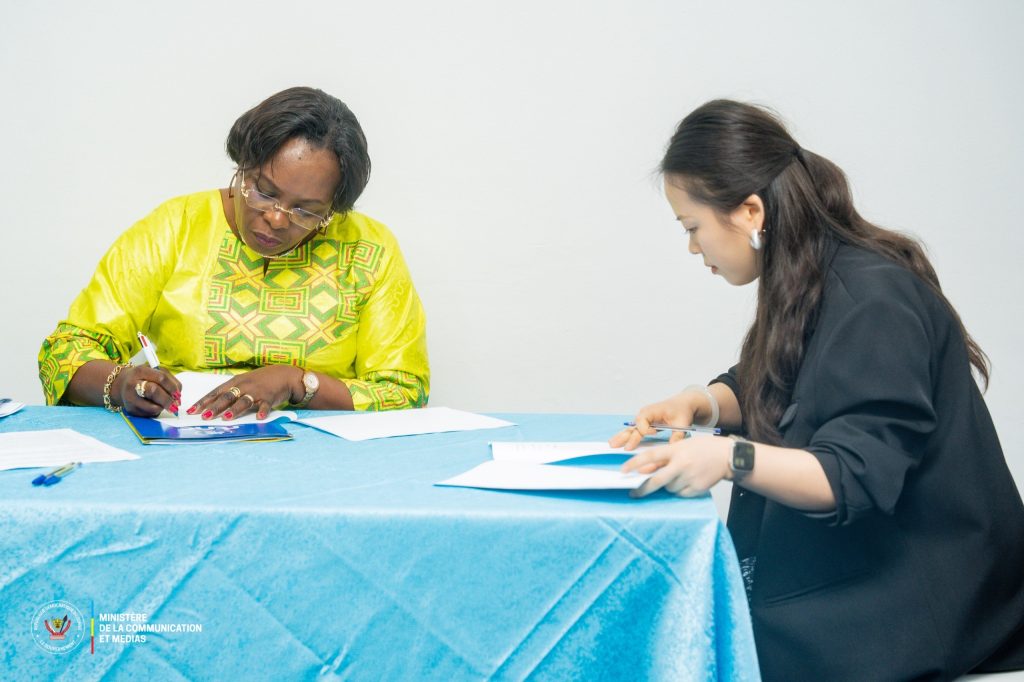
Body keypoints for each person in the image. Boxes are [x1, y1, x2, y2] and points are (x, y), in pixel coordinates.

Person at [609, 100, 1024, 681]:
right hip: (862, 577)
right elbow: (777, 380)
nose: (693, 248)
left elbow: (850, 475)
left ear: (750, 211)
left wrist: (727, 457)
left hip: (925, 607)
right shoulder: (809, 276)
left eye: (692, 228)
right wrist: (701, 404)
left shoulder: (875, 301)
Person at [39, 87, 429, 419]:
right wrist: (121, 383)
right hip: (181, 443)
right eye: (264, 191)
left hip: (317, 460)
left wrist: (296, 382)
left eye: (306, 210)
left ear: (333, 210)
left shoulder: (368, 249)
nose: (276, 219)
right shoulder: (178, 227)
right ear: (242, 165)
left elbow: (403, 390)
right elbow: (65, 352)